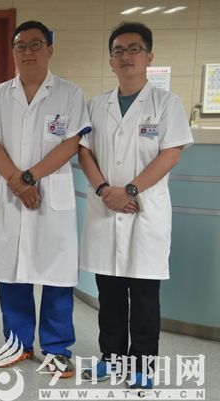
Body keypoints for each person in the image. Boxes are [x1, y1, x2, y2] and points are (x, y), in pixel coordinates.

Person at [0, 20, 91, 377]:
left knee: (56, 276)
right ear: (13, 52)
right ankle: (18, 343)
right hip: (12, 195)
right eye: (20, 45)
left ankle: (56, 348)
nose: (28, 52)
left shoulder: (69, 94)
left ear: (50, 49)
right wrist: (17, 181)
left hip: (49, 195)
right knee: (12, 273)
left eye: (36, 44)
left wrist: (29, 178)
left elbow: (71, 144)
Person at [79, 22, 193, 389]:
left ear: (149, 56)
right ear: (110, 61)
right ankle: (111, 358)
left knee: (144, 296)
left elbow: (171, 154)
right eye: (118, 51)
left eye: (134, 49)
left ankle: (143, 365)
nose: (126, 56)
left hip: (144, 212)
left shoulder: (166, 104)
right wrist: (104, 190)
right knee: (110, 294)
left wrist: (128, 191)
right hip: (105, 208)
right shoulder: (96, 105)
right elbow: (84, 152)